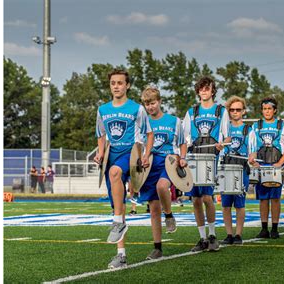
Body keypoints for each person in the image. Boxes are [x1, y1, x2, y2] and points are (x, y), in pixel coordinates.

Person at [94, 69, 153, 268]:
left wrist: (145, 155)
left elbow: (149, 134)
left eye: (120, 83)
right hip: (112, 154)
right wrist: (100, 153)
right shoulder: (102, 109)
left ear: (127, 85)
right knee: (116, 206)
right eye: (113, 83)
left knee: (115, 172)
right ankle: (121, 255)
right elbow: (101, 134)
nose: (116, 86)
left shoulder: (137, 109)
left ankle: (119, 222)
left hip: (131, 154)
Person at [183, 76, 230, 252]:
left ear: (212, 91)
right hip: (194, 158)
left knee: (207, 198)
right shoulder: (191, 112)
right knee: (195, 199)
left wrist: (221, 145)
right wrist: (186, 145)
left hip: (211, 158)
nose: (204, 91)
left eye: (207, 88)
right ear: (198, 91)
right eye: (201, 89)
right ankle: (202, 238)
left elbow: (227, 137)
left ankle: (212, 235)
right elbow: (184, 135)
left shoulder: (220, 111)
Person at [139, 86, 186, 259]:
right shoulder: (142, 123)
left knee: (162, 186)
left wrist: (182, 157)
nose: (150, 107)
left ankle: (169, 215)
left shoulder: (174, 121)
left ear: (159, 102)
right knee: (153, 209)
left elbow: (182, 142)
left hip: (168, 162)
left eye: (152, 103)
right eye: (146, 104)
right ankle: (157, 247)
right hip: (149, 166)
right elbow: (139, 146)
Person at [249, 97, 284, 239]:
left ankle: (274, 228)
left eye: (269, 109)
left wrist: (280, 162)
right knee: (263, 199)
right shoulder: (256, 126)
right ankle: (264, 229)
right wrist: (254, 160)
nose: (267, 111)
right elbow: (253, 146)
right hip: (262, 165)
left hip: (276, 165)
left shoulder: (283, 125)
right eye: (264, 109)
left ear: (275, 110)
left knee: (275, 198)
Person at [219, 96, 252, 245]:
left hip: (242, 168)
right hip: (226, 167)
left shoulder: (249, 129)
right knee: (226, 204)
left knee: (240, 203)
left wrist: (252, 158)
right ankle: (229, 234)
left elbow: (253, 150)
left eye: (238, 109)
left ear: (243, 111)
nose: (235, 112)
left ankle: (238, 234)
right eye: (231, 110)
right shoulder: (224, 128)